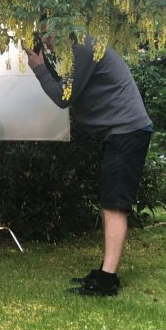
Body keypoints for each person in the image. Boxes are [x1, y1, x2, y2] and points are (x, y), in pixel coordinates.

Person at [26, 29, 152, 297]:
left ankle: (107, 280)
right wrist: (45, 65)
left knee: (114, 206)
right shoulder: (79, 49)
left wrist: (38, 68)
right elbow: (68, 85)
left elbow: (63, 96)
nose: (46, 42)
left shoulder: (82, 48)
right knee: (109, 203)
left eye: (48, 35)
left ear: (63, 26)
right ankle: (106, 271)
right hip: (120, 132)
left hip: (126, 131)